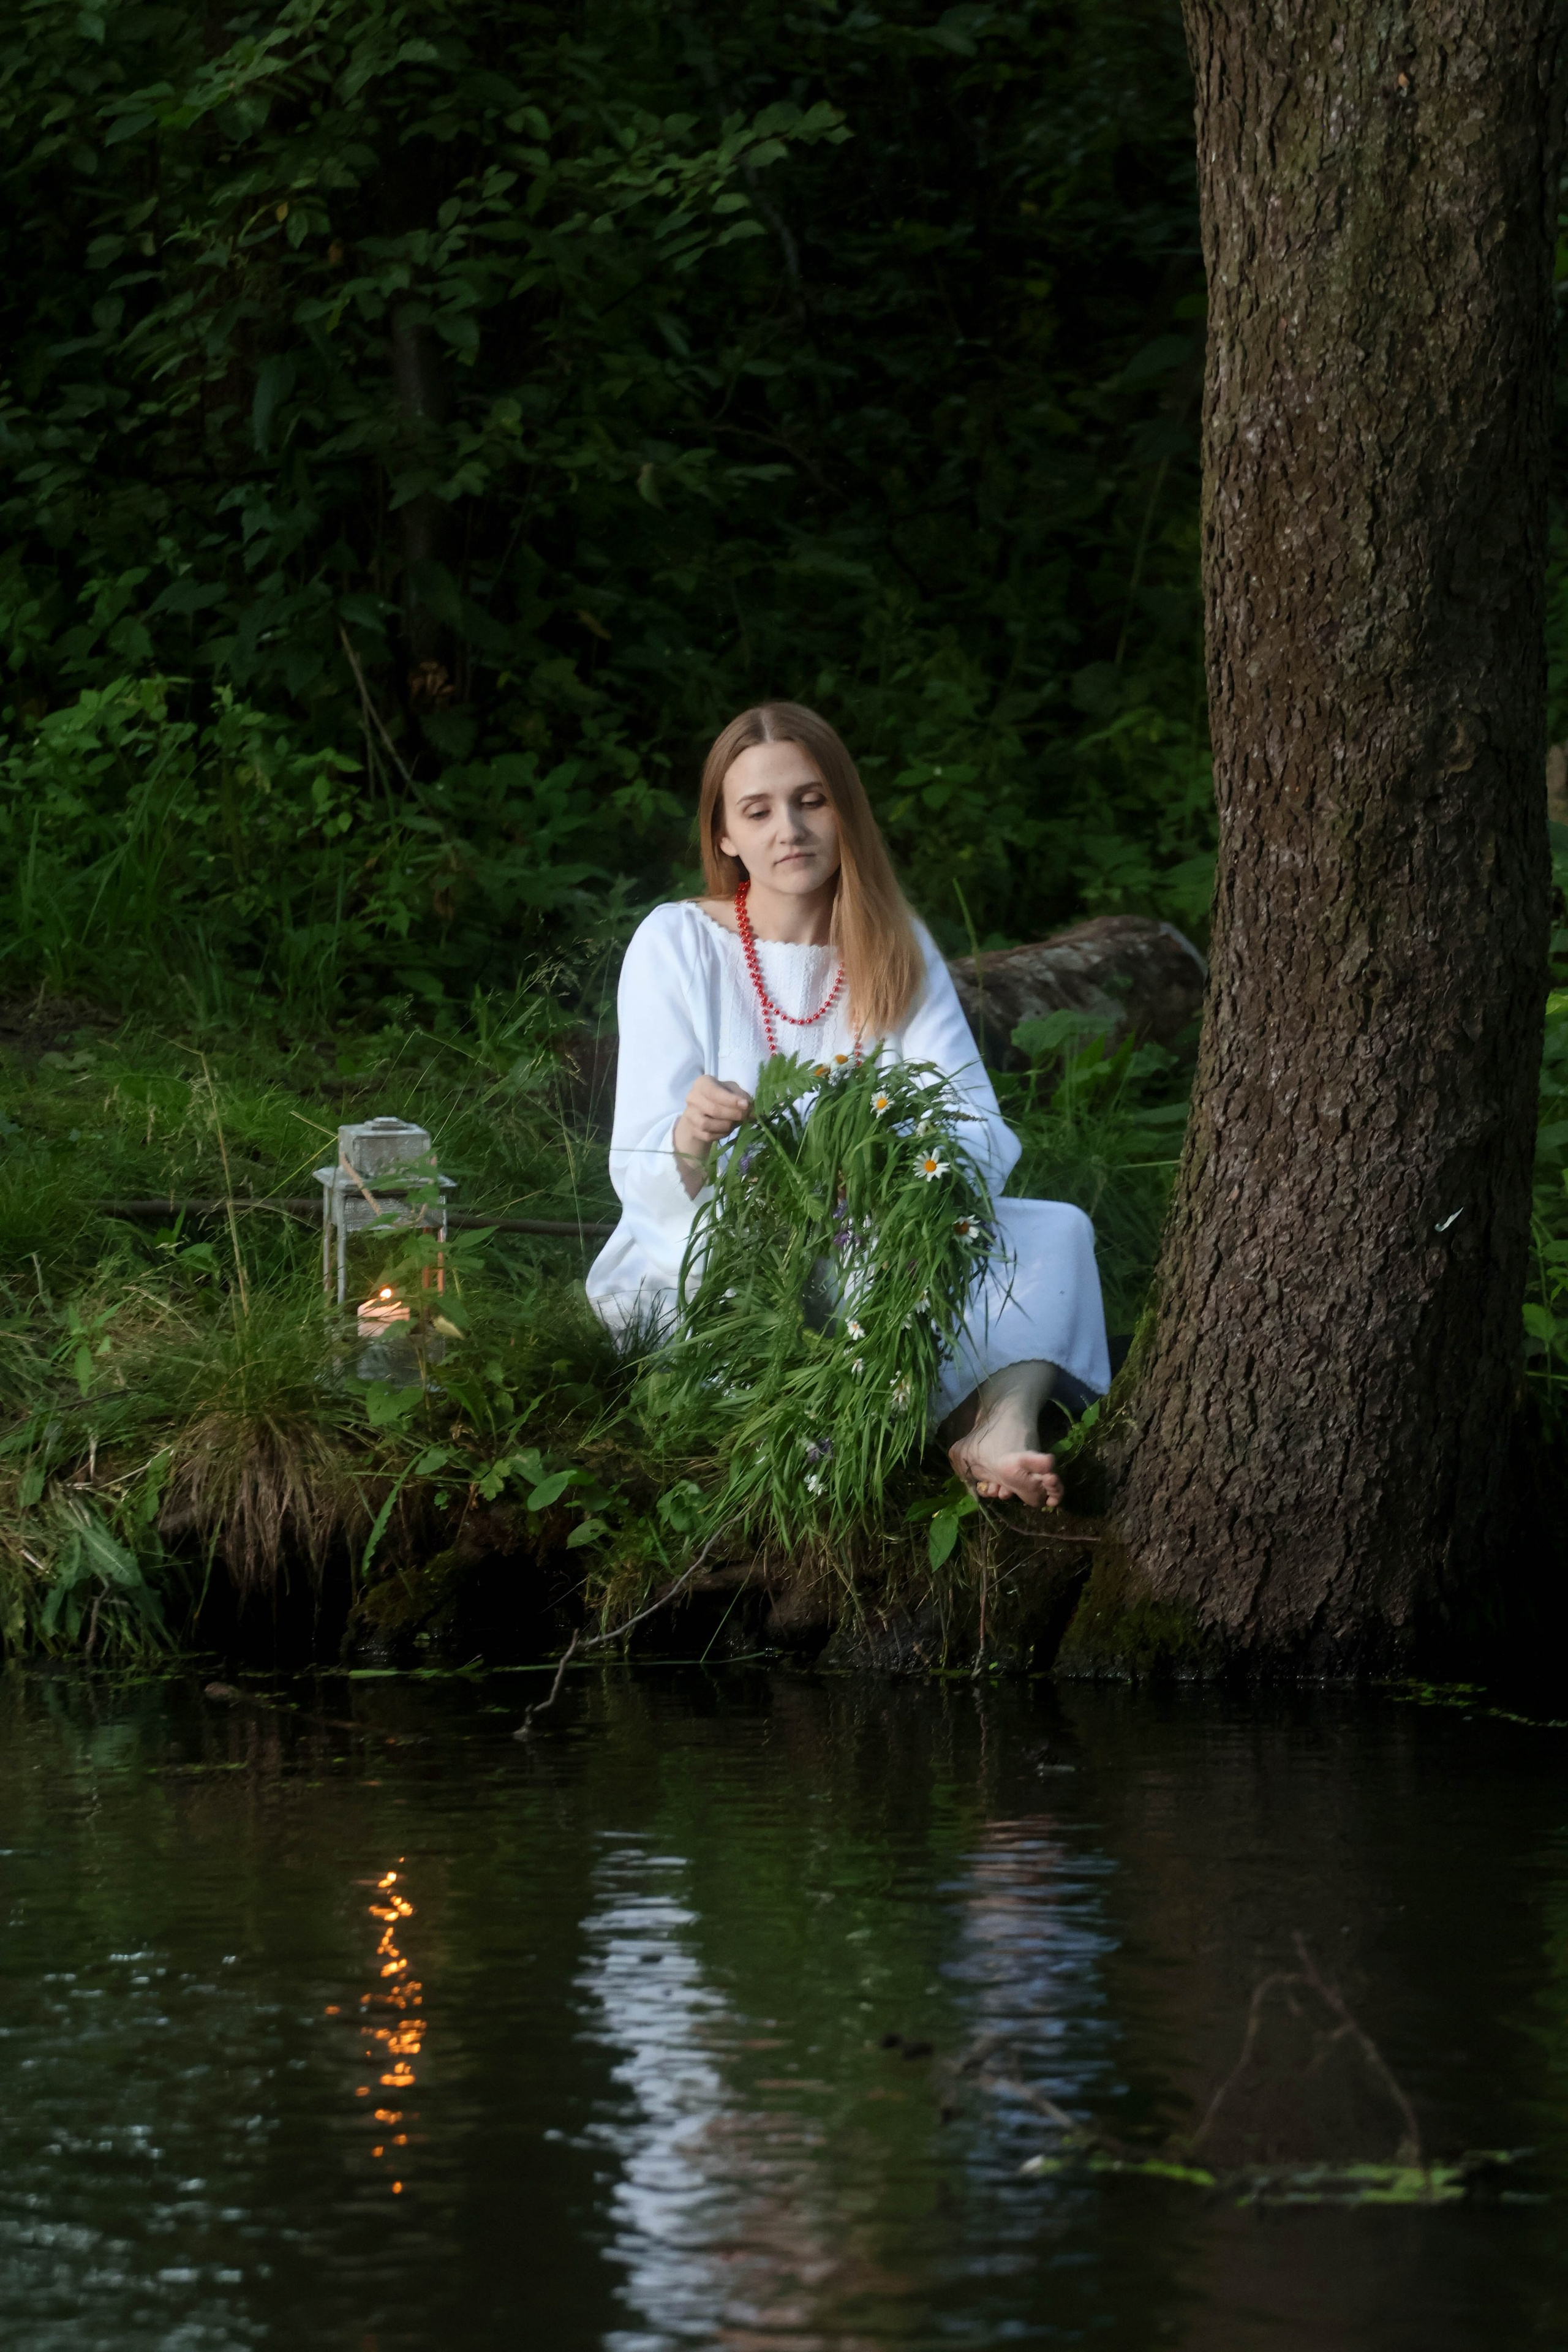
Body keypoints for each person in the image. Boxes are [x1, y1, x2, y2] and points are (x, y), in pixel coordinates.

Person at [585, 703, 1110, 1507]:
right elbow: (641, 1158)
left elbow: (971, 1119)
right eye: (758, 812)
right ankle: (915, 1415)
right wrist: (690, 1135)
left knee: (1054, 1233)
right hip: (730, 1241)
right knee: (821, 1299)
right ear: (724, 836)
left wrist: (890, 1190)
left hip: (876, 1226)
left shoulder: (891, 941)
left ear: (845, 811)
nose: (789, 830)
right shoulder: (678, 944)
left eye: (812, 800)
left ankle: (1004, 1424)